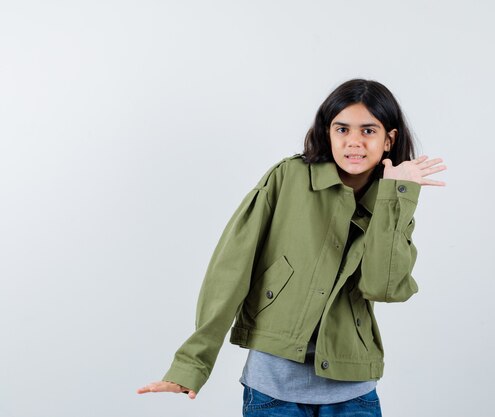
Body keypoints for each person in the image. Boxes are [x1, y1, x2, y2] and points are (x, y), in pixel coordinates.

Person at [137, 79, 447, 416]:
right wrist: (191, 366)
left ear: (390, 139)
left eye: (368, 131)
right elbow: (230, 270)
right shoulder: (288, 178)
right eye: (342, 129)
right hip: (272, 390)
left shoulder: (391, 202)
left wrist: (395, 198)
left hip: (353, 393)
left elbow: (382, 286)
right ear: (327, 133)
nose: (354, 142)